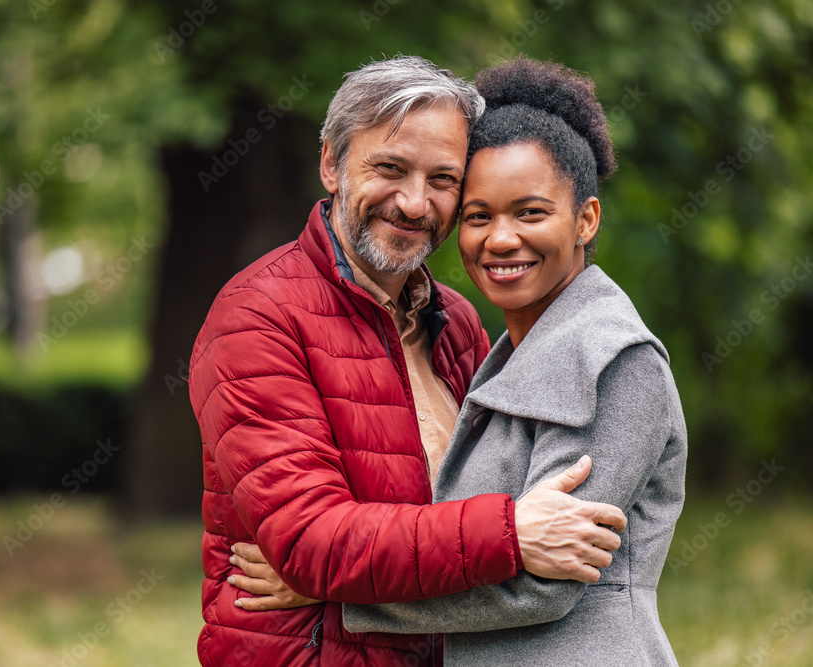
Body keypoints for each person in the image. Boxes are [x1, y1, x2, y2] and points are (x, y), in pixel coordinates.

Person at [188, 55, 627, 667]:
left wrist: (338, 594)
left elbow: (526, 507)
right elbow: (312, 543)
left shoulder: (458, 326)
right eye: (390, 168)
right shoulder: (257, 318)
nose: (415, 203)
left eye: (444, 180)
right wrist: (510, 535)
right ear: (331, 164)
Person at [339, 58, 688, 665]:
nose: (500, 239)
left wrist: (338, 599)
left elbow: (542, 586)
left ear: (585, 219)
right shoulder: (500, 358)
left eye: (530, 212)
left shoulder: (615, 361)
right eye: (479, 216)